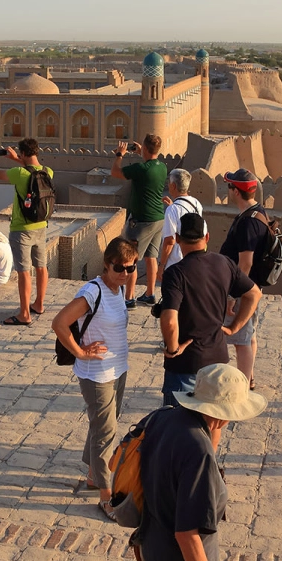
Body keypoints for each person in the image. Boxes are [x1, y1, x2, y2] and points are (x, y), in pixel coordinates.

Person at [138, 363, 266, 561]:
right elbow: (187, 534)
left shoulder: (163, 418)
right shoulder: (199, 453)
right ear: (225, 415)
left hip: (152, 549)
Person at [51, 237, 137, 520]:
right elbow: (60, 322)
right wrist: (80, 352)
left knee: (104, 424)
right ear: (106, 264)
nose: (125, 273)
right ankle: (105, 496)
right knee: (105, 433)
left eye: (132, 267)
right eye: (120, 268)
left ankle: (92, 475)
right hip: (97, 374)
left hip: (117, 369)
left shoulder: (118, 291)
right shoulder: (92, 291)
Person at [160, 212, 261, 408]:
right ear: (206, 237)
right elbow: (254, 294)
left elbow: (170, 320)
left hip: (185, 364)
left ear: (178, 239)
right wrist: (234, 328)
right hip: (217, 358)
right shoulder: (224, 263)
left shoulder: (176, 273)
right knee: (212, 422)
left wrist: (172, 349)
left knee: (177, 426)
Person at [218, 168, 271, 389]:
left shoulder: (249, 223)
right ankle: (248, 378)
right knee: (249, 335)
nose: (228, 190)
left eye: (230, 186)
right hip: (251, 288)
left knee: (240, 340)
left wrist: (233, 294)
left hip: (244, 288)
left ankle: (242, 385)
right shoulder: (258, 212)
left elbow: (246, 263)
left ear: (236, 192)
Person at [0, 139, 52, 326]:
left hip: (21, 229)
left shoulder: (19, 173)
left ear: (23, 153)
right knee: (41, 268)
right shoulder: (48, 171)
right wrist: (18, 159)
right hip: (41, 225)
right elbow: (33, 168)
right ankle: (39, 304)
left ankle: (24, 314)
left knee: (24, 272)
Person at [112, 134, 168, 308]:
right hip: (158, 218)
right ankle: (150, 294)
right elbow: (148, 165)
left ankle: (129, 297)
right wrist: (141, 153)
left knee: (132, 259)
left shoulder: (140, 169)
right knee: (151, 257)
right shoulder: (162, 167)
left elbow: (115, 173)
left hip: (142, 221)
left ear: (144, 148)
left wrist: (119, 155)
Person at [158, 168, 204, 273]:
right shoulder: (196, 203)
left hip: (176, 262)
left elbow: (170, 240)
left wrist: (162, 265)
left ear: (173, 186)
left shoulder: (172, 210)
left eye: (169, 183)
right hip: (193, 258)